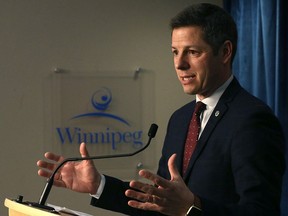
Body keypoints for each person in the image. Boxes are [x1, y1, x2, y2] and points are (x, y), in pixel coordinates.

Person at [37, 3, 285, 216]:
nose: (179, 63)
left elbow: (261, 211)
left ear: (225, 52)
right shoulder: (180, 119)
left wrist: (192, 207)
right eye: (175, 52)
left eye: (192, 52)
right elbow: (156, 202)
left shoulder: (252, 119)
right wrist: (98, 185)